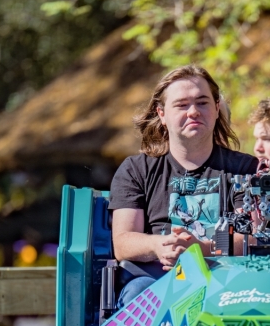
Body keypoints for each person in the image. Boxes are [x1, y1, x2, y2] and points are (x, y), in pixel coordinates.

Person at [109, 65, 259, 304]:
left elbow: (251, 237)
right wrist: (160, 245)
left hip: (227, 282)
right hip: (156, 281)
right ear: (162, 114)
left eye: (202, 102)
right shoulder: (136, 169)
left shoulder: (246, 169)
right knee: (138, 292)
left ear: (216, 108)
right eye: (181, 105)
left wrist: (201, 249)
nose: (194, 112)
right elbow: (123, 242)